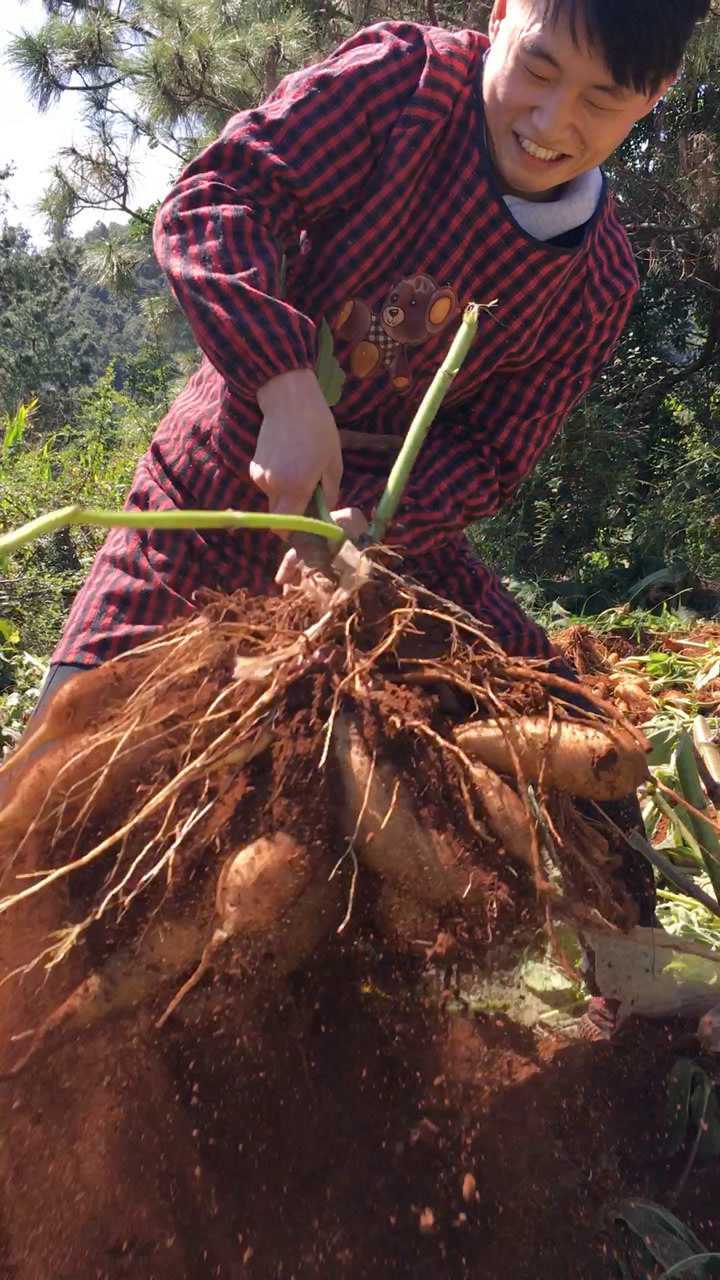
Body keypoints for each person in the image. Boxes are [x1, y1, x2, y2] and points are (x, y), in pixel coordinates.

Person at [1, 0, 710, 1012]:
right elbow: (213, 199)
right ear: (501, 13)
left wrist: (378, 520)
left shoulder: (596, 280)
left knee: (592, 761)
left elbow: (497, 451)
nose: (553, 121)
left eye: (601, 100)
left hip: (397, 542)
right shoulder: (401, 90)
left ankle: (627, 1010)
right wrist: (286, 383)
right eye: (538, 67)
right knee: (60, 772)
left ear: (657, 97)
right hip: (218, 486)